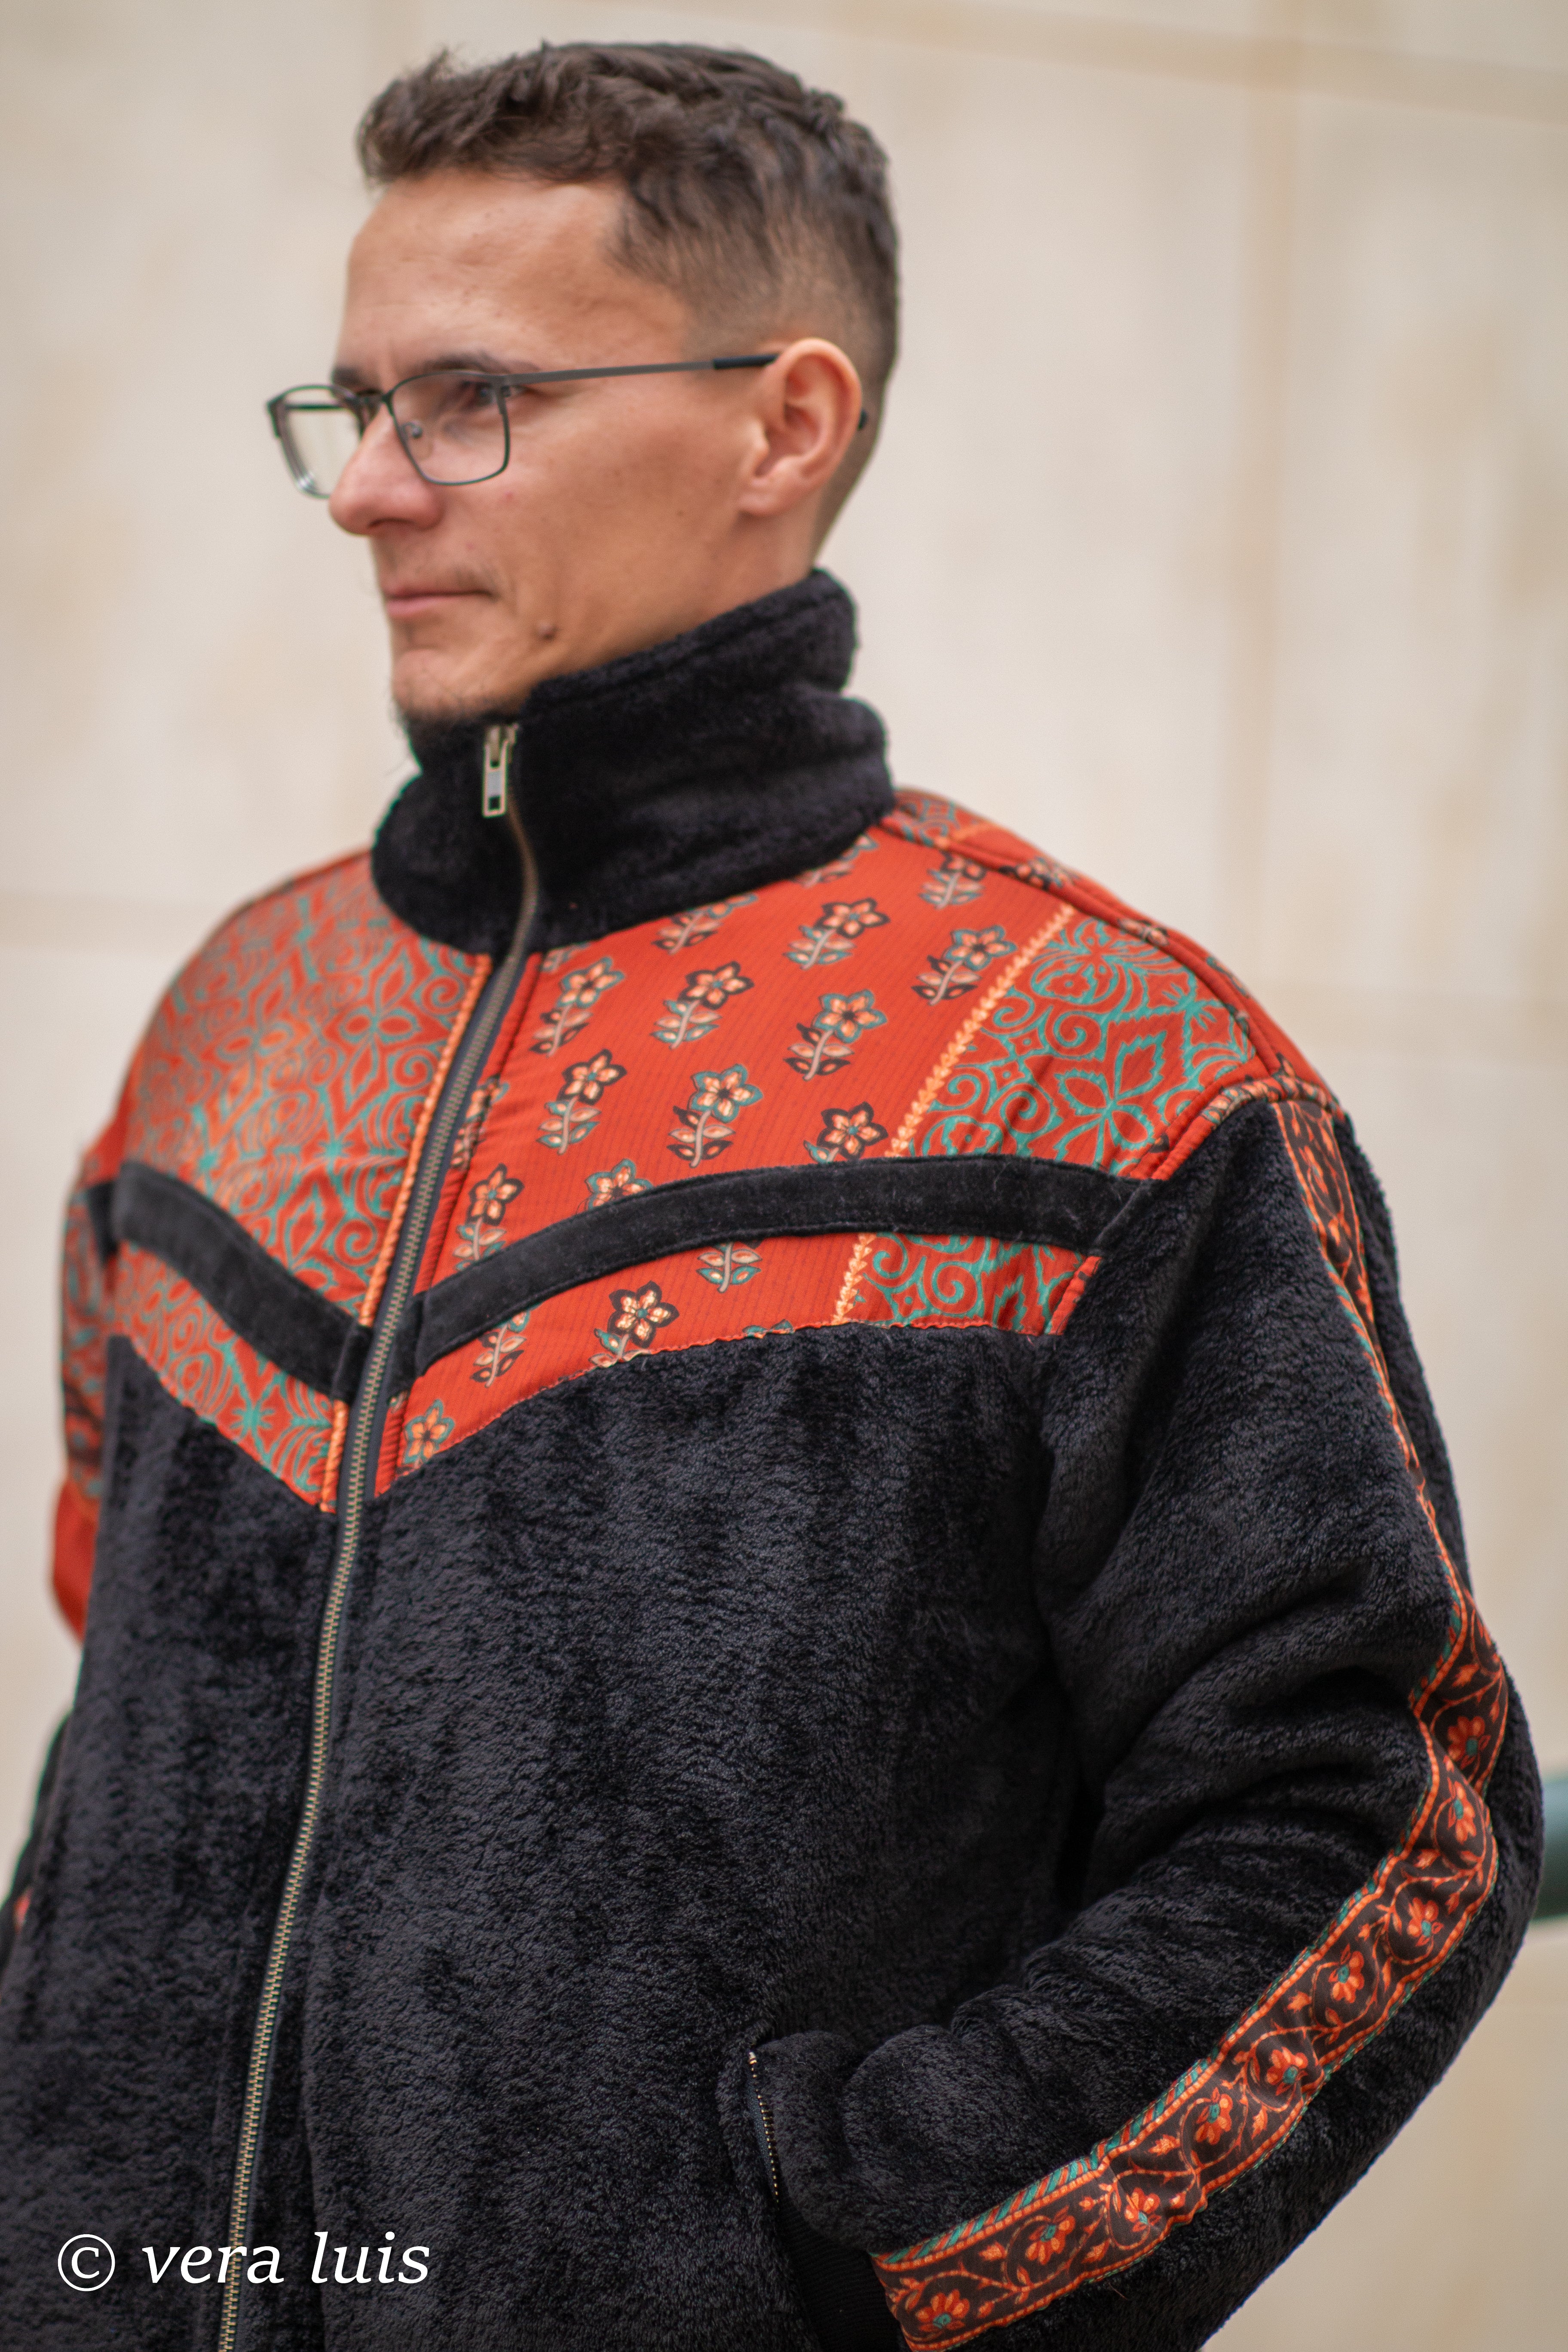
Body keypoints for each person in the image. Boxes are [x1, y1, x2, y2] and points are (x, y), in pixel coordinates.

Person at [0, 41, 1540, 2352]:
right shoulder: (236, 1015)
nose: (369, 493)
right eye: (354, 408)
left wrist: (869, 2252)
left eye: (472, 401)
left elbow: (1384, 1821)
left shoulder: (1109, 1072)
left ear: (783, 424)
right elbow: (122, 1690)